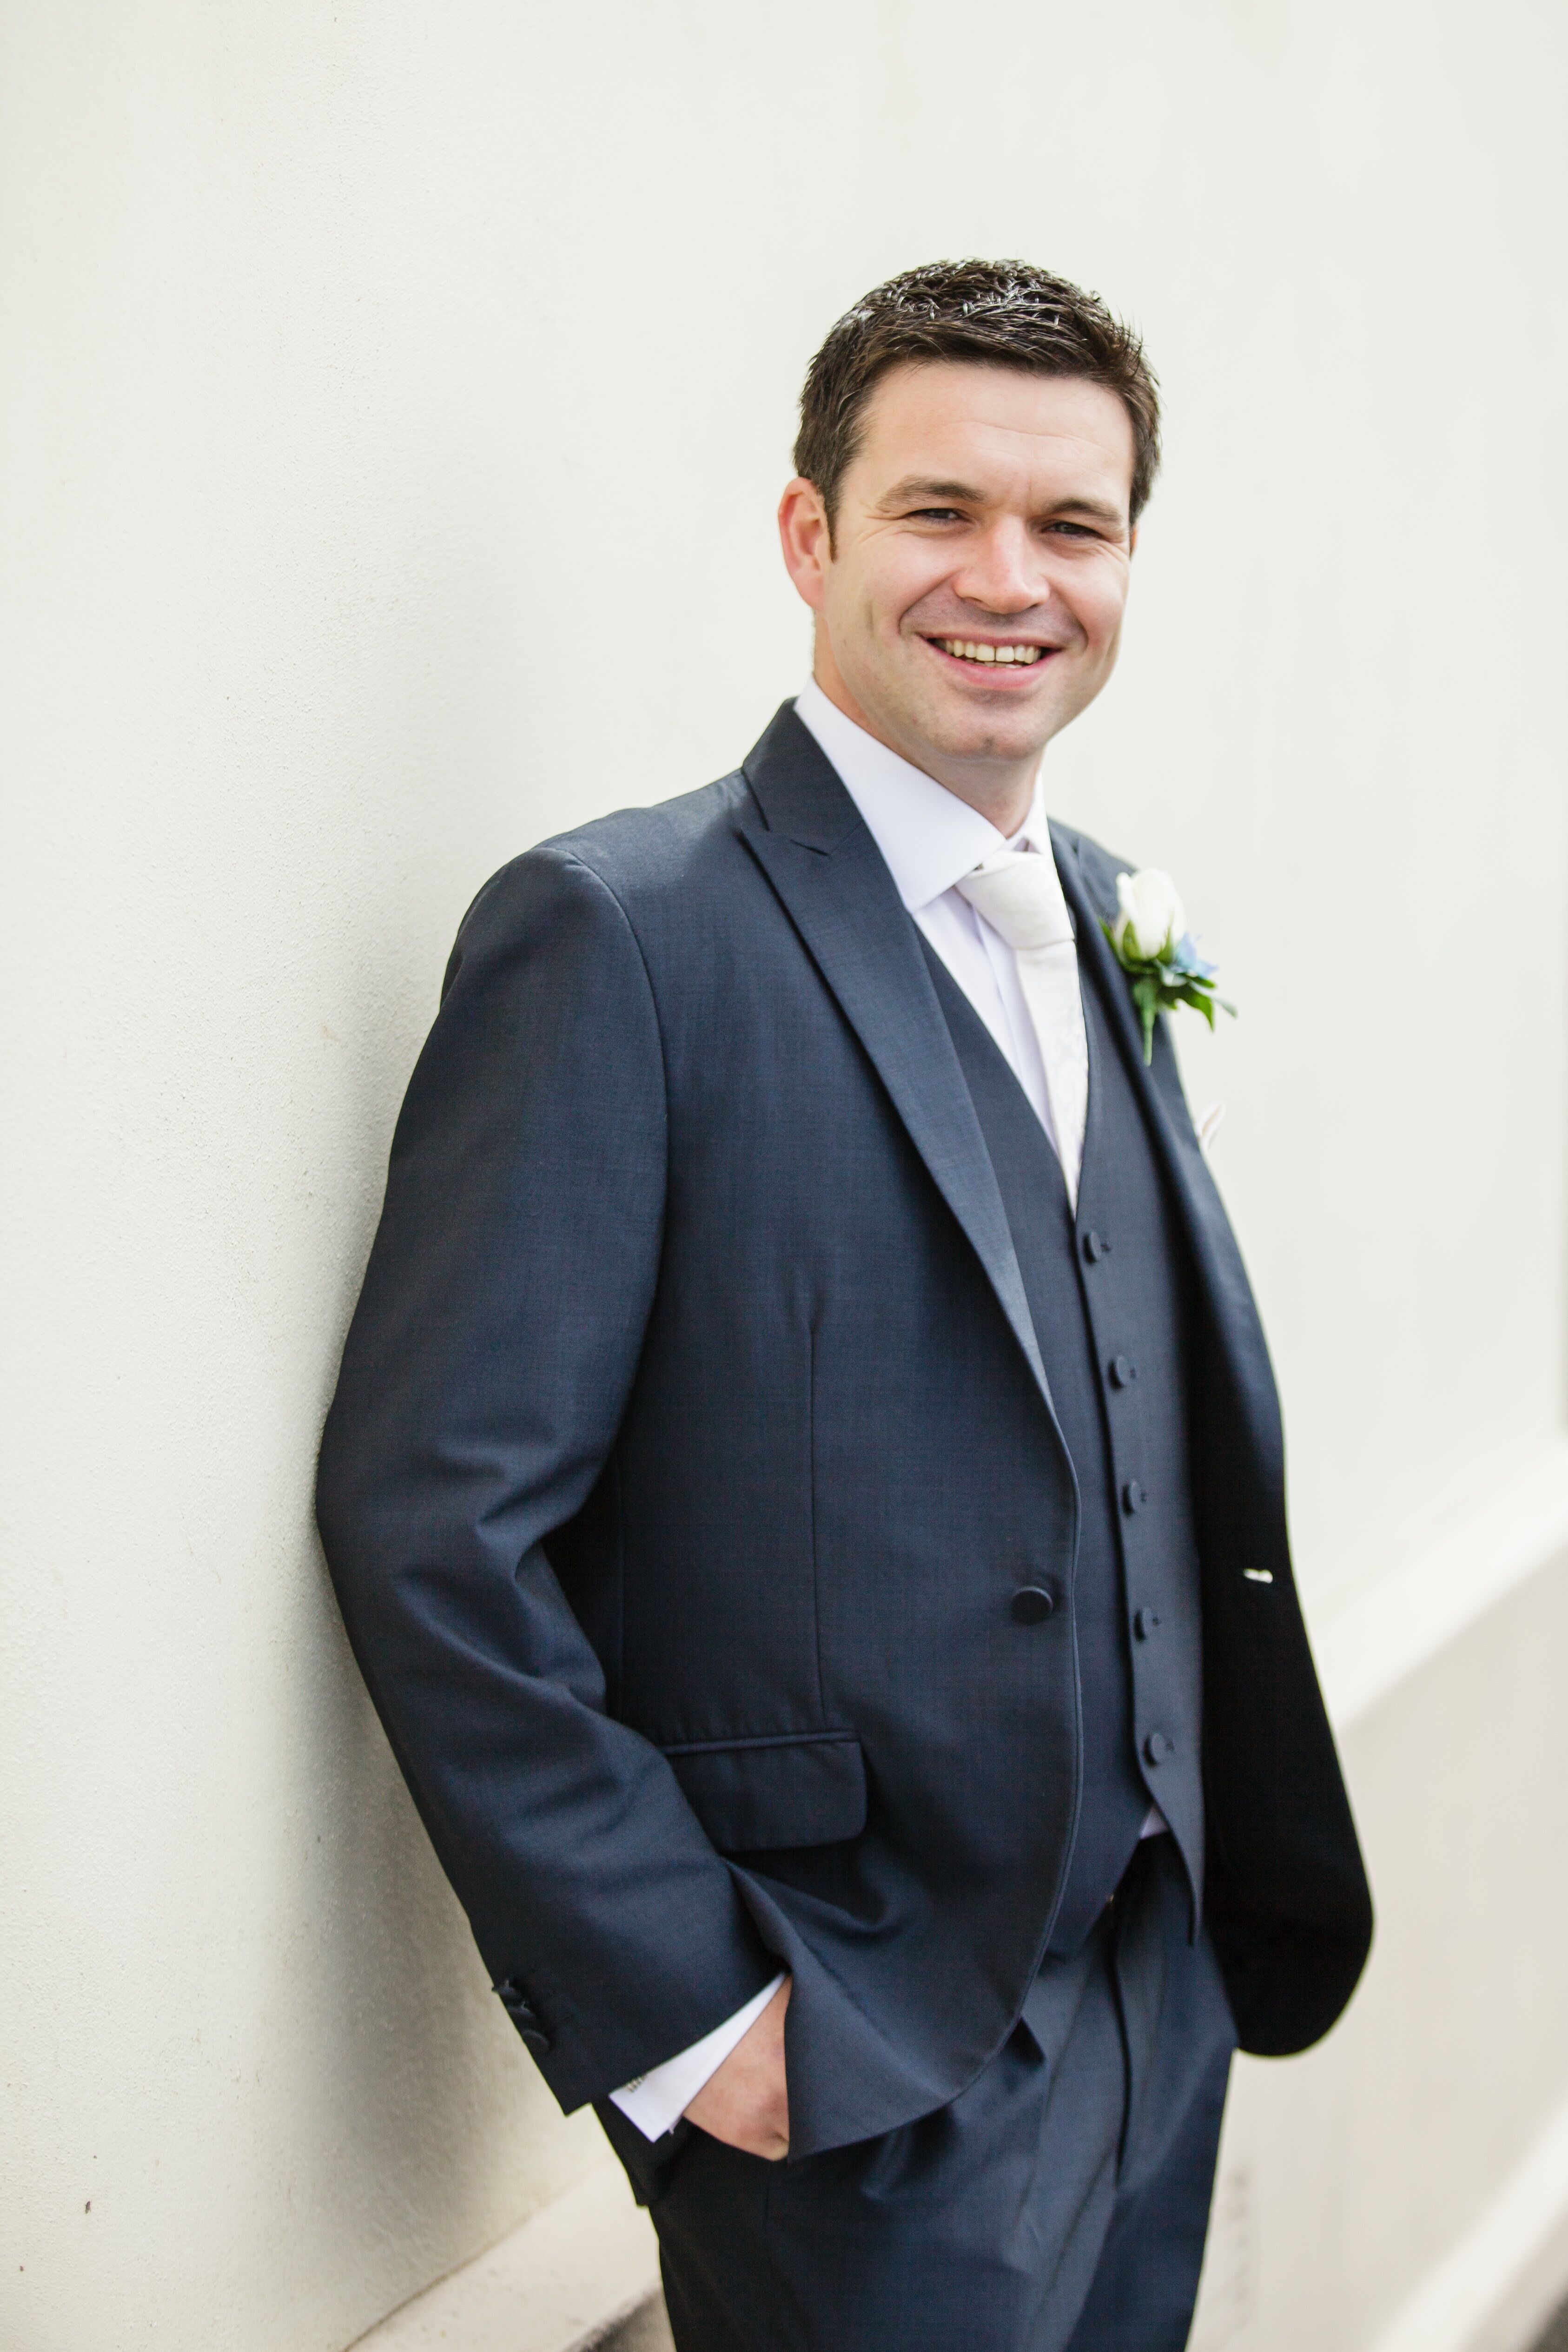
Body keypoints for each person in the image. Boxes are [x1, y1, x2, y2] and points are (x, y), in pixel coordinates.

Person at [317, 259, 1372, 2352]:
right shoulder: (619, 935)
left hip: (1152, 2002)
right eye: (936, 511)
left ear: (1129, 558)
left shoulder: (1104, 916)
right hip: (853, 2050)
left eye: (1073, 526)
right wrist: (689, 2013)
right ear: (808, 533)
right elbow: (435, 1520)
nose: (1011, 578)